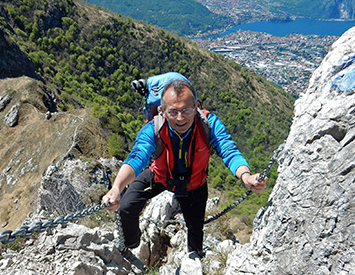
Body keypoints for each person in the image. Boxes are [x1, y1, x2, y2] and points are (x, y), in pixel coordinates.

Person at [103, 78, 267, 255]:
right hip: (159, 176)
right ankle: (130, 245)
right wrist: (117, 187)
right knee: (126, 206)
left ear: (196, 107)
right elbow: (137, 157)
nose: (180, 118)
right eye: (173, 112)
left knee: (195, 232)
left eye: (186, 110)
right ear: (162, 111)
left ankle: (194, 260)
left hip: (195, 184)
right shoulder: (154, 129)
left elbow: (228, 150)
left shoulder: (209, 124)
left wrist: (246, 176)